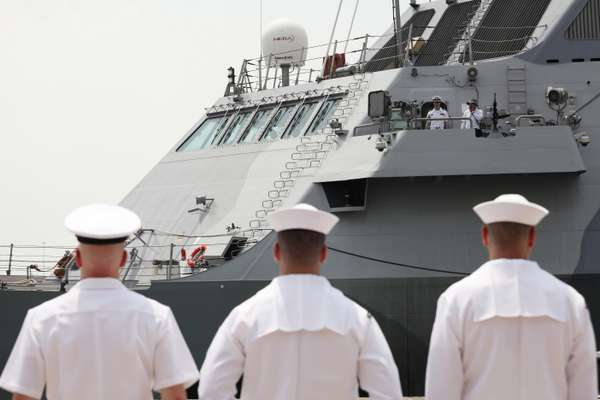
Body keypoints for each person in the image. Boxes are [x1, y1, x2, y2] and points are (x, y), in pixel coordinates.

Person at [198, 204, 403, 400]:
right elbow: (388, 393)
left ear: (276, 252)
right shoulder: (357, 318)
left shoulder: (244, 316)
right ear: (323, 253)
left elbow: (211, 390)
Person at [0, 204, 199, 400]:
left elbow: (23, 395)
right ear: (123, 259)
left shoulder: (41, 318)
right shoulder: (156, 316)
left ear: (77, 258)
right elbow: (174, 394)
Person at [425, 194, 597, 400]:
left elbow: (441, 388)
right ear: (532, 237)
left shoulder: (456, 300)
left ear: (485, 235)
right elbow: (584, 389)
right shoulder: (570, 301)